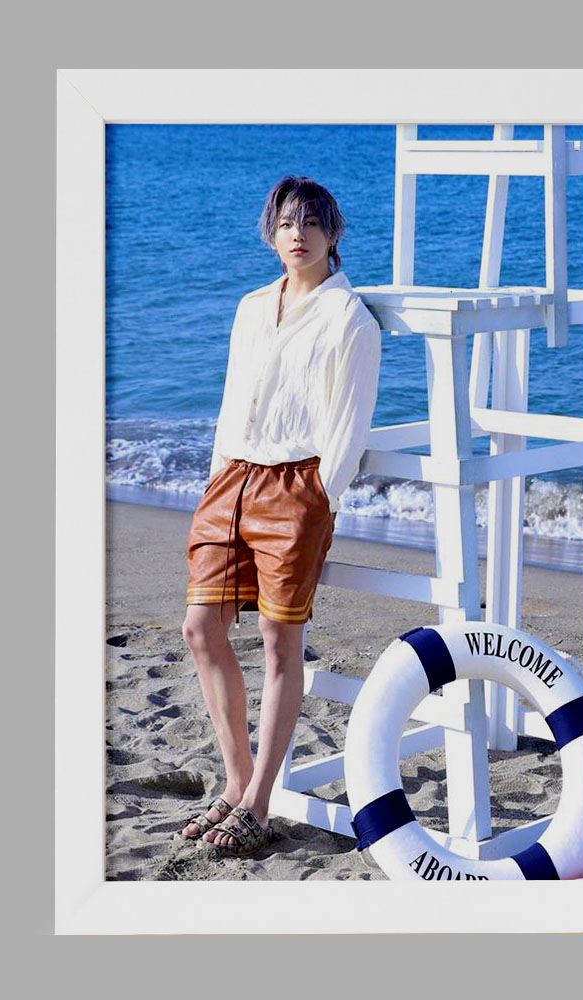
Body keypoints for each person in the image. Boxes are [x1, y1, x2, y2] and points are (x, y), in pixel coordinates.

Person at [178, 176, 382, 857]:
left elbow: (350, 425)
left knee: (277, 641)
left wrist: (319, 495)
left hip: (297, 486)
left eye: (313, 222)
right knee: (201, 627)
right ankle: (236, 783)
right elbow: (233, 395)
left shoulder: (348, 317)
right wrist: (217, 474)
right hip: (232, 477)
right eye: (288, 222)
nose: (300, 233)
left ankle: (258, 802)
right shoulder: (250, 307)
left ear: (333, 233)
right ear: (272, 234)